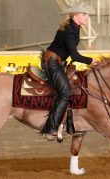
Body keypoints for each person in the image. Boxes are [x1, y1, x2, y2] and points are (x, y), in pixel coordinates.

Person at [41, 1, 99, 137]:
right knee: (66, 92)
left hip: (58, 62)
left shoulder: (74, 28)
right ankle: (50, 129)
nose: (87, 17)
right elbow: (75, 55)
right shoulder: (69, 31)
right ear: (76, 15)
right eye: (84, 14)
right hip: (52, 62)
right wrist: (91, 60)